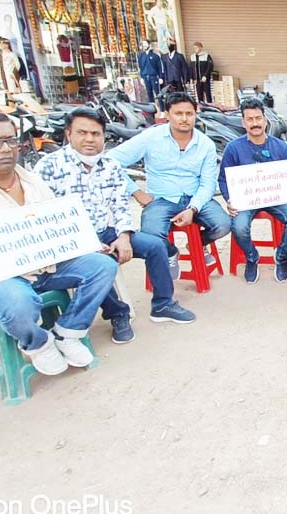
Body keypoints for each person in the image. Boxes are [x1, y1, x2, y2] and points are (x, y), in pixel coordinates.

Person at [0, 114, 118, 375]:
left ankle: (68, 331)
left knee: (102, 266)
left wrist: (84, 243)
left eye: (11, 140)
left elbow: (55, 227)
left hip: (45, 269)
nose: (7, 148)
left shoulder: (33, 181)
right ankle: (38, 343)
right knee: (19, 301)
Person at [35, 108, 196, 342]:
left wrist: (124, 235)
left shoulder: (109, 166)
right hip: (71, 241)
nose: (90, 139)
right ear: (69, 134)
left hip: (106, 230)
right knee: (99, 265)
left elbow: (121, 205)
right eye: (82, 133)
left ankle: (163, 304)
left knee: (155, 245)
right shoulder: (48, 168)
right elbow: (42, 217)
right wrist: (86, 244)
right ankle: (118, 314)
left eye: (96, 133)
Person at [106, 93, 232, 278]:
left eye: (189, 114)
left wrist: (193, 209)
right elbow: (109, 161)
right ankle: (171, 252)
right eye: (178, 113)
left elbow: (207, 184)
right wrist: (136, 191)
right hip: (161, 199)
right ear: (167, 114)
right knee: (150, 236)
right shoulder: (151, 137)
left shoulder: (205, 144)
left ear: (195, 114)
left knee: (224, 224)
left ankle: (198, 244)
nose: (184, 119)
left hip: (194, 197)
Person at [220, 98, 287, 284]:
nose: (255, 123)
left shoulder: (280, 146)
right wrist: (229, 200)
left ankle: (281, 256)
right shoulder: (233, 148)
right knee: (239, 226)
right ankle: (251, 257)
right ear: (243, 122)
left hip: (275, 197)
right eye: (249, 119)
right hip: (246, 201)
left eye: (258, 118)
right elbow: (223, 178)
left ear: (265, 120)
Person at [139, 40, 163, 104]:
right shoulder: (141, 56)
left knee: (158, 93)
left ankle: (162, 110)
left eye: (146, 44)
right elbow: (141, 67)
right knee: (149, 93)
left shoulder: (155, 56)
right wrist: (141, 77)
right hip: (145, 77)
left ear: (149, 45)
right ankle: (151, 109)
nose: (144, 46)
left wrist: (161, 77)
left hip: (154, 77)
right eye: (143, 44)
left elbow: (160, 67)